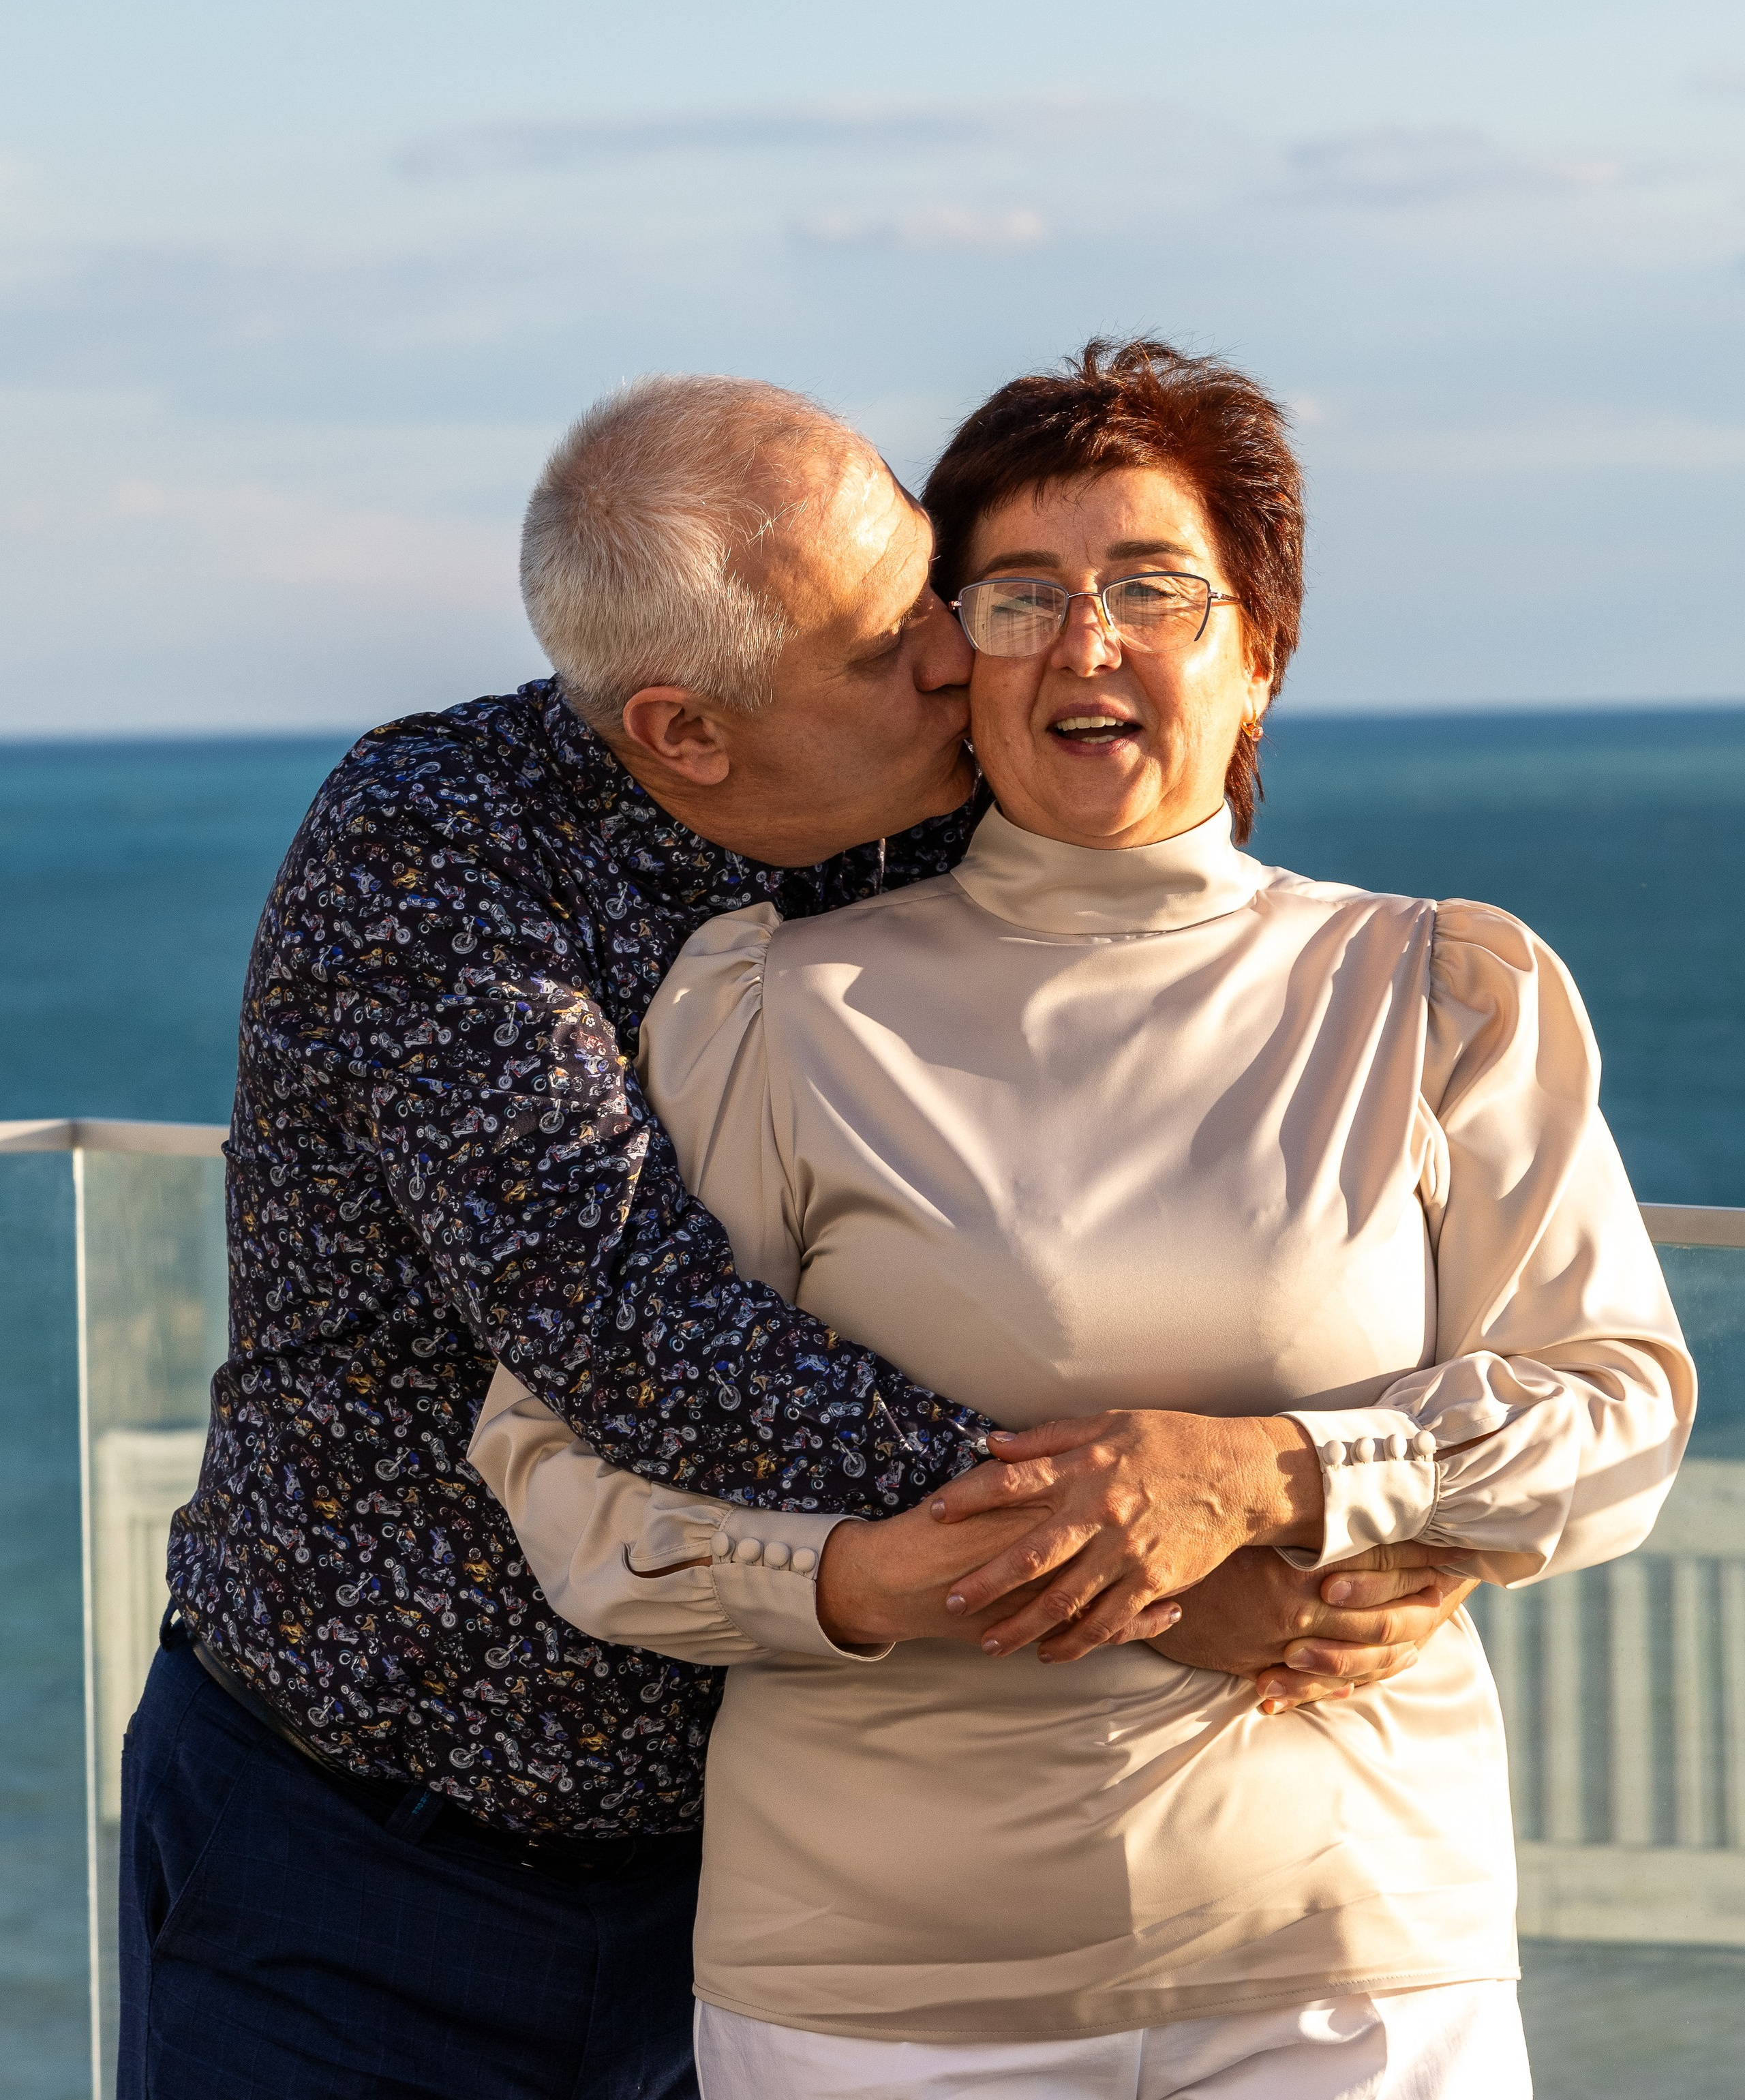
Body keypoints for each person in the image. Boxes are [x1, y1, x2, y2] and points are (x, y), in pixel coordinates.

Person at [122, 372, 1461, 2100]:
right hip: (356, 1857)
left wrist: (1303, 1474)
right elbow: (637, 1331)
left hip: (757, 1896)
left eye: (927, 596)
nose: (946, 660)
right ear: (688, 731)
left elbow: (1154, 1073)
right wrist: (1146, 1560)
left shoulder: (931, 820)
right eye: (877, 646)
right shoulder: (436, 842)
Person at [474, 341, 1695, 2100]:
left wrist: (1271, 1473)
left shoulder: (1440, 991)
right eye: (1020, 594)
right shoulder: (768, 1010)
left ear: (1257, 653)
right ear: (950, 661)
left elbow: (1617, 1413)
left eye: (1150, 587)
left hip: (1347, 1971)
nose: (1086, 639)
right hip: (867, 1997)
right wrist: (862, 1580)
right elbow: (558, 1473)